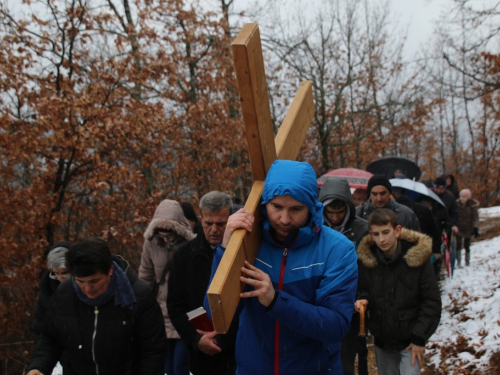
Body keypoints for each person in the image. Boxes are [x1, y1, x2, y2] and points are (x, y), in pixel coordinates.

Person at [206, 160, 358, 374]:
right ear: (264, 204)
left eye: (296, 209)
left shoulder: (338, 250)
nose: (284, 219)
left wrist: (276, 301)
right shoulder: (249, 243)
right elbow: (216, 314)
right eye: (276, 207)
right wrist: (225, 250)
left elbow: (336, 326)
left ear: (311, 207)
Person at [26, 238, 167, 375]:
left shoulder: (137, 297)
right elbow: (50, 338)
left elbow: (153, 350)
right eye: (80, 281)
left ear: (109, 271)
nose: (87, 289)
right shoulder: (65, 294)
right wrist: (39, 366)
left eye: (94, 281)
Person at [355, 209, 441, 375]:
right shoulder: (368, 260)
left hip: (410, 338)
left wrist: (419, 336)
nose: (382, 239)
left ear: (397, 230)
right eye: (376, 234)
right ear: (371, 235)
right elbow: (364, 288)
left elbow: (431, 301)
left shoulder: (417, 259)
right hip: (382, 339)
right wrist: (364, 299)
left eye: (386, 232)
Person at [168, 191, 237, 375]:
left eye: (220, 224)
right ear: (200, 219)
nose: (214, 229)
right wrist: (195, 339)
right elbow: (175, 306)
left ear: (230, 220)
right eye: (208, 223)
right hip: (201, 359)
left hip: (238, 354)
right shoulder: (183, 257)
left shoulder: (241, 254)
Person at [318, 178, 369, 375]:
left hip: (351, 304)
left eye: (340, 211)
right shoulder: (315, 229)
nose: (336, 216)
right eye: (331, 211)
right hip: (321, 302)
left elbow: (367, 268)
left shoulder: (362, 229)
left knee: (346, 358)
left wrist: (363, 295)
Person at [139, 199, 195, 375]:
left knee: (180, 367)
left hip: (183, 312)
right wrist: (141, 308)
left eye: (169, 233)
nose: (165, 237)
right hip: (159, 313)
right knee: (166, 367)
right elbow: (146, 275)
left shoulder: (191, 246)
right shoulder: (151, 243)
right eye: (161, 233)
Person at [32, 241, 72, 344]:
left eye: (64, 273)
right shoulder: (47, 290)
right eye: (55, 274)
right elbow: (41, 328)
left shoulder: (86, 289)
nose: (59, 278)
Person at [356, 174, 420, 231]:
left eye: (383, 193)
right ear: (369, 194)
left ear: (390, 193)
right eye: (375, 194)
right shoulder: (357, 214)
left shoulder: (406, 215)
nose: (379, 198)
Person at [453, 189, 480, 267]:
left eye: (464, 197)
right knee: (458, 244)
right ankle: (458, 262)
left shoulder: (472, 206)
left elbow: (475, 218)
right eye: (461, 196)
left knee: (467, 245)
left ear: (468, 197)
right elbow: (453, 215)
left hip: (468, 228)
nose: (462, 198)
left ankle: (467, 261)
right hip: (459, 228)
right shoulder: (456, 205)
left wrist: (475, 228)